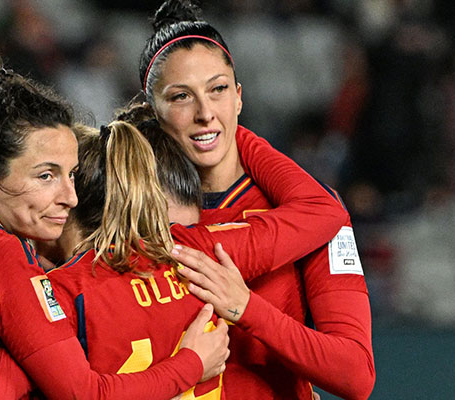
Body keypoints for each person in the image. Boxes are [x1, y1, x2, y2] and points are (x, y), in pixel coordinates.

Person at [0, 104, 348, 399]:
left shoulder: (53, 297)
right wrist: (228, 125)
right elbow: (323, 211)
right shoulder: (202, 251)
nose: (59, 195)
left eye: (62, 180)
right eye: (48, 177)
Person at [0, 50, 231, 400]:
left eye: (71, 174)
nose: (70, 196)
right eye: (46, 176)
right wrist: (192, 363)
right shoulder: (0, 257)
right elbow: (82, 394)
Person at [137, 1, 375, 399]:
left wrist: (247, 309)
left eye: (218, 90)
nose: (205, 113)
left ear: (239, 97)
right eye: (181, 97)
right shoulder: (125, 213)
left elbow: (355, 373)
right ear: (151, 111)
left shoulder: (312, 213)